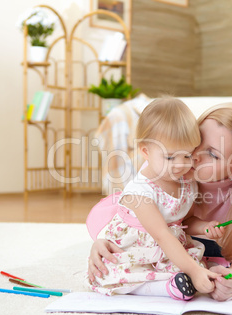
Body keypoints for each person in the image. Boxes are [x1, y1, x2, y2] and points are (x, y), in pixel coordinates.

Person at [88, 102, 232, 301]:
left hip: (188, 251)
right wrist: (102, 240)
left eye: (212, 154)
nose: (193, 155)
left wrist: (231, 277)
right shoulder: (167, 170)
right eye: (198, 140)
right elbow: (130, 217)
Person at [84, 97, 220, 301]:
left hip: (168, 245)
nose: (180, 165)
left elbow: (185, 221)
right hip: (137, 246)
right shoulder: (140, 191)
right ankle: (163, 288)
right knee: (118, 273)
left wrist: (204, 227)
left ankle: (175, 279)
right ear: (146, 152)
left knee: (195, 261)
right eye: (170, 157)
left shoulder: (186, 182)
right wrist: (193, 271)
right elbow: (162, 236)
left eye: (187, 155)